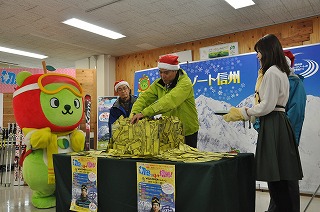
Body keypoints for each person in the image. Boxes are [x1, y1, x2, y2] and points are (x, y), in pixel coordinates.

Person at [223, 34, 303, 212]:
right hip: (276, 124)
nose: (258, 56)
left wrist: (244, 113)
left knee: (276, 178)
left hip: (273, 123)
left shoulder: (272, 72)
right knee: (280, 177)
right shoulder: (280, 72)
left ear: (267, 51)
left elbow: (267, 105)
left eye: (259, 52)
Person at [266, 50, 307, 212]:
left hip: (285, 138)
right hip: (272, 136)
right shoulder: (272, 80)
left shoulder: (295, 83)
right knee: (274, 178)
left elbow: (295, 114)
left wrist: (285, 137)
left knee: (287, 179)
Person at [130, 54, 199, 148]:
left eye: (166, 73)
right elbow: (144, 98)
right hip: (169, 130)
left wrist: (144, 113)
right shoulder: (158, 84)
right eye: (160, 72)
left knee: (187, 161)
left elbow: (169, 101)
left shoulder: (185, 83)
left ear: (175, 71)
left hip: (186, 131)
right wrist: (135, 113)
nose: (163, 76)